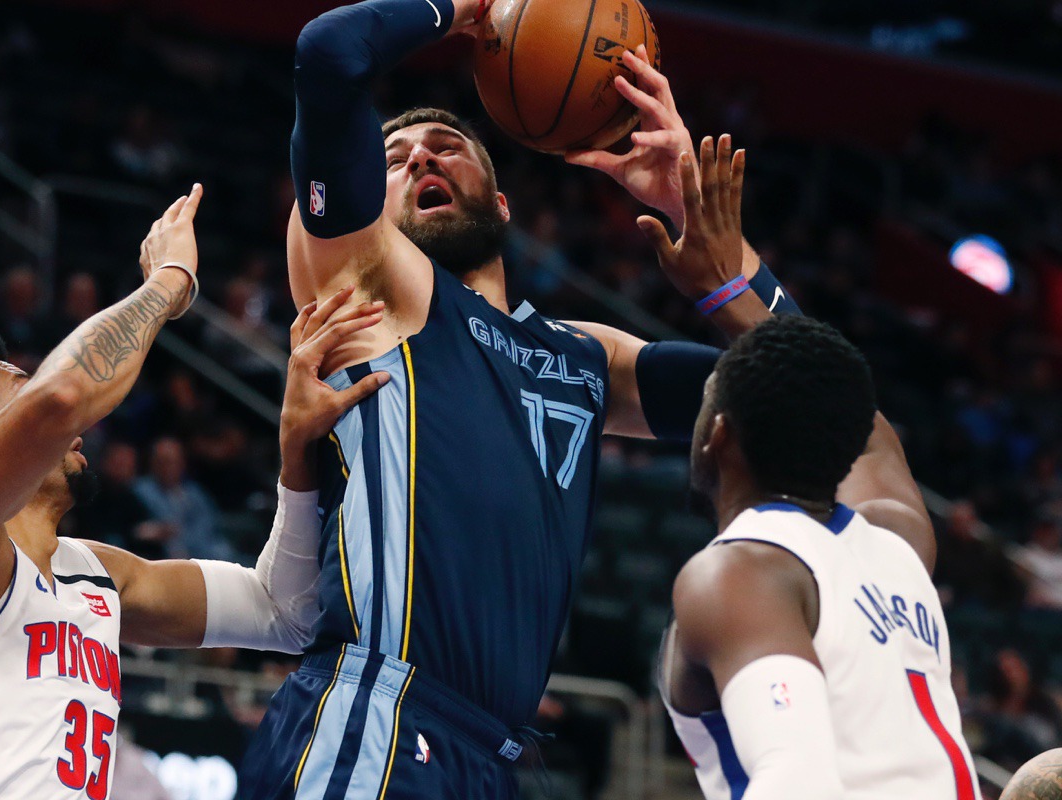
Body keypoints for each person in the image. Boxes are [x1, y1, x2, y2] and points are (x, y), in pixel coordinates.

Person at [241, 0, 799, 795]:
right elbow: (329, 56)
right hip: (380, 715)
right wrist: (457, 9)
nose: (422, 162)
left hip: (494, 754)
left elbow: (815, 399)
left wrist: (697, 220)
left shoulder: (585, 355)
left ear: (502, 206)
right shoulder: (373, 282)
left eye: (448, 148)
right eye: (395, 157)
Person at [0, 184, 388, 798]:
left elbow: (284, 612)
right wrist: (167, 283)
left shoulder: (97, 575)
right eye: (20, 388)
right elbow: (61, 400)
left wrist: (295, 450)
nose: (70, 415)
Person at [657, 309, 981, 796]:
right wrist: (727, 293)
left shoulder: (737, 573)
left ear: (718, 435)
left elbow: (795, 779)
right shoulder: (899, 541)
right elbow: (865, 428)